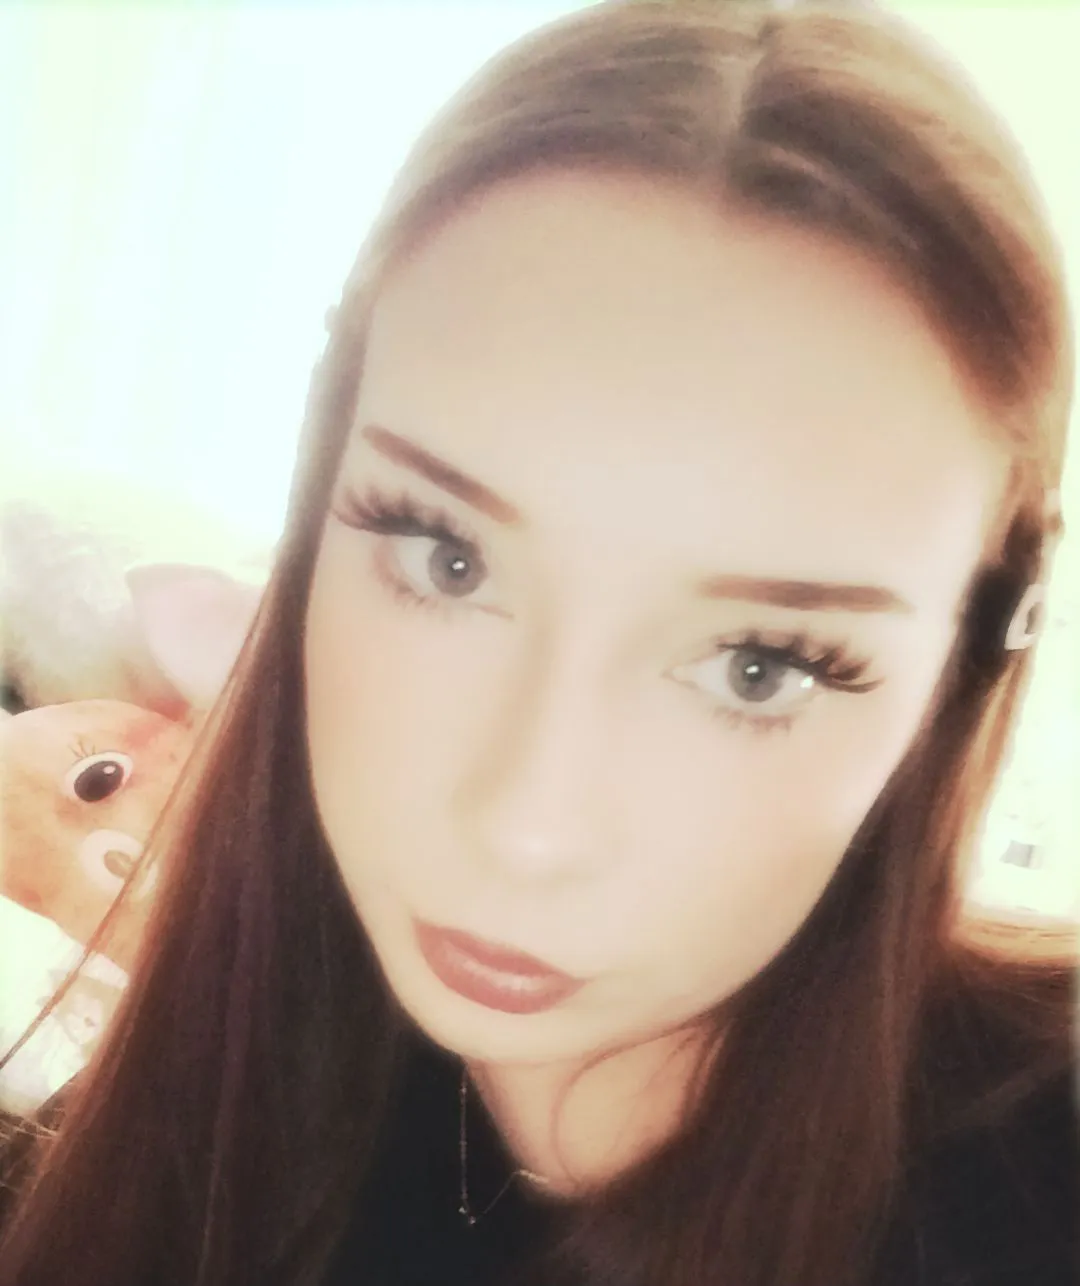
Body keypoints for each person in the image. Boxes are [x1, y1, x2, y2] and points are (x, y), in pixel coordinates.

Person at [1, 1, 1077, 1283]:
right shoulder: (222, 1098)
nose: (525, 830)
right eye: (445, 559)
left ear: (967, 660)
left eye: (760, 666)